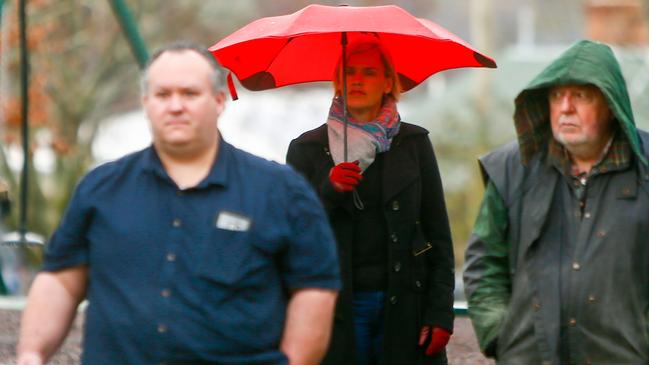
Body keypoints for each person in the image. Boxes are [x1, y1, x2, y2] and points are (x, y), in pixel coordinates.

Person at [16, 42, 341, 365]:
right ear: (146, 103)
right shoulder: (100, 190)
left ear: (218, 101)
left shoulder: (280, 191)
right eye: (162, 94)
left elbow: (314, 289)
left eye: (189, 94)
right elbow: (61, 279)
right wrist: (31, 354)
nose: (175, 106)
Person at [463, 39, 649, 364]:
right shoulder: (512, 169)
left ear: (610, 104)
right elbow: (484, 261)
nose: (565, 108)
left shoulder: (644, 168)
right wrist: (499, 334)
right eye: (556, 96)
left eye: (581, 95)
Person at [286, 36, 455, 365]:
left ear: (389, 82)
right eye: (349, 72)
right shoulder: (307, 148)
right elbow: (290, 232)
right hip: (336, 308)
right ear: (338, 81)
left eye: (369, 72)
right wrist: (329, 190)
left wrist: (439, 313)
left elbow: (438, 234)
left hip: (407, 304)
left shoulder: (414, 143)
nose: (358, 80)